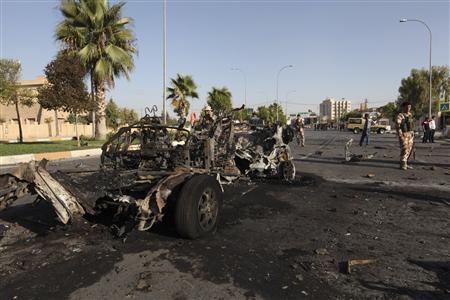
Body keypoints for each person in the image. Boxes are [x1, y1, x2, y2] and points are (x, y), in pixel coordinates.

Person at [396, 101, 415, 170]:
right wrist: (400, 135)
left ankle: (406, 163)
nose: (408, 108)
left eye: (409, 107)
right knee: (404, 149)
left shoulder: (410, 115)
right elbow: (397, 126)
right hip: (404, 134)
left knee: (409, 149)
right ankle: (402, 164)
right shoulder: (400, 115)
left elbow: (411, 125)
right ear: (403, 107)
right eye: (406, 107)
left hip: (410, 134)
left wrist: (413, 133)